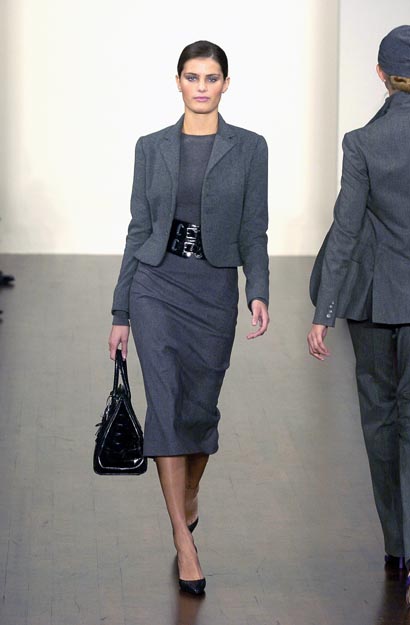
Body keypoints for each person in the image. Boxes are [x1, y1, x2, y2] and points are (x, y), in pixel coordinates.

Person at [108, 40, 269, 595]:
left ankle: (190, 493)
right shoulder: (150, 147)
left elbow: (254, 227)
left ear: (226, 83)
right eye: (193, 77)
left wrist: (258, 290)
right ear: (177, 81)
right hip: (157, 283)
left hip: (213, 287)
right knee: (167, 407)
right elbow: (138, 229)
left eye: (212, 77)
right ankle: (184, 540)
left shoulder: (250, 148)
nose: (202, 87)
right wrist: (121, 309)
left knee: (200, 411)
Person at [307, 25, 410, 607]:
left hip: (372, 303)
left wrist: (324, 311)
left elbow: (346, 229)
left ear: (380, 75)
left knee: (379, 422)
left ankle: (397, 546)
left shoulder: (362, 141)